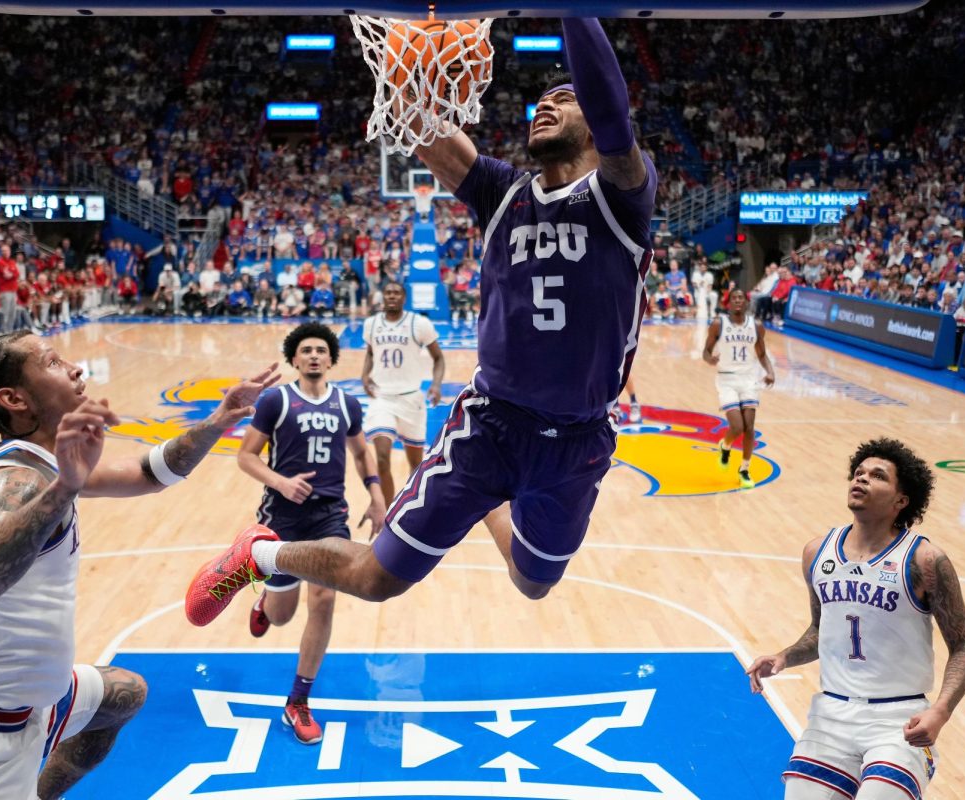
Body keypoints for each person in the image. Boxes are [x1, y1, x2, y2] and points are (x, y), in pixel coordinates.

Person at [185, 16, 658, 623]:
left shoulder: (622, 197)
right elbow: (419, 123)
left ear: (594, 121)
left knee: (533, 582)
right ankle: (259, 555)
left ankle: (488, 503)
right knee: (375, 578)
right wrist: (408, 56)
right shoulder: (503, 192)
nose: (546, 105)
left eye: (565, 100)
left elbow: (613, 114)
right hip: (492, 424)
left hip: (578, 439)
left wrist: (575, 8)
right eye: (541, 101)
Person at [0, 330, 279, 799]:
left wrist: (219, 419)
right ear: (14, 398)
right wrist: (65, 488)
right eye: (52, 362)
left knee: (123, 696)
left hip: (20, 705)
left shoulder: (36, 462)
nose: (75, 368)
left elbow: (149, 473)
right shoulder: (14, 482)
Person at [746, 438, 965, 799]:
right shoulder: (817, 552)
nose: (862, 478)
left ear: (901, 500)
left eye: (878, 475)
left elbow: (962, 646)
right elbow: (820, 629)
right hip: (830, 715)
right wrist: (784, 656)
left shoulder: (925, 560)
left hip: (898, 720)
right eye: (859, 472)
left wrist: (942, 711)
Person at [236, 323, 386, 745]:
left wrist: (377, 495)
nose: (315, 355)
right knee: (282, 616)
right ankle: (267, 602)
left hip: (329, 515)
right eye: (306, 350)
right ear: (295, 359)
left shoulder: (346, 403)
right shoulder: (276, 400)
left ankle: (298, 700)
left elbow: (362, 452)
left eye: (321, 349)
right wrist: (281, 483)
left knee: (323, 598)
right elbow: (246, 456)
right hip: (282, 515)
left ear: (331, 358)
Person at [360, 280, 446, 508]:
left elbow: (438, 358)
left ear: (404, 298)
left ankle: (409, 511)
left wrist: (436, 385)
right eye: (388, 292)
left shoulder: (419, 324)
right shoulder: (371, 324)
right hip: (382, 398)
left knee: (416, 465)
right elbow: (371, 352)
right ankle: (387, 514)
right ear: (383, 297)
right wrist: (364, 374)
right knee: (382, 458)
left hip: (411, 399)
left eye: (396, 293)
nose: (392, 296)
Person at [702, 287, 776, 489]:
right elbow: (706, 351)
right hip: (726, 379)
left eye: (740, 297)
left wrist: (770, 372)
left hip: (749, 379)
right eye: (733, 297)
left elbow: (761, 354)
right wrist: (710, 359)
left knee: (749, 426)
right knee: (737, 427)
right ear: (728, 302)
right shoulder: (719, 324)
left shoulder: (756, 326)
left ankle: (744, 469)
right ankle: (725, 445)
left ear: (746, 302)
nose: (737, 300)